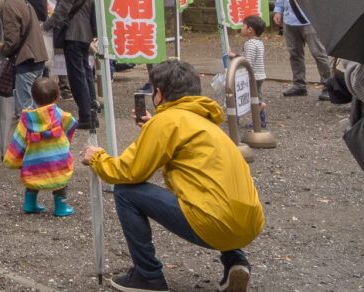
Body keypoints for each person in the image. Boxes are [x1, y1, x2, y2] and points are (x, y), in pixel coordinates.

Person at [82, 59, 263, 292]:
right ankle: (235, 261)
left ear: (158, 93)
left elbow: (129, 171)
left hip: (214, 224)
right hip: (250, 223)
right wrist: (153, 125)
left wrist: (97, 158)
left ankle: (148, 276)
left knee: (125, 191)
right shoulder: (204, 123)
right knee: (216, 195)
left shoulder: (167, 122)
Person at [3, 75, 77, 217]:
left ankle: (30, 204)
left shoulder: (27, 118)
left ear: (32, 97)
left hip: (34, 161)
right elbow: (71, 125)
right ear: (57, 97)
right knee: (60, 183)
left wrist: (13, 159)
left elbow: (18, 140)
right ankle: (61, 208)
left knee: (32, 181)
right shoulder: (62, 116)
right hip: (58, 161)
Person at [41, 0, 97, 129]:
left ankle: (86, 116)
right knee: (86, 73)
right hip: (85, 32)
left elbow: (62, 9)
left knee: (77, 76)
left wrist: (46, 26)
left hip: (72, 33)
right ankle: (92, 113)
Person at [0, 0, 48, 113]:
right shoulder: (20, 0)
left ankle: (29, 135)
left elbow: (13, 41)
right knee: (35, 108)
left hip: (26, 61)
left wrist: (1, 50)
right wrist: (4, 45)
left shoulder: (8, 6)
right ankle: (37, 133)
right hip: (37, 58)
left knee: (25, 110)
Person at [273, 0, 332, 99]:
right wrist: (278, 10)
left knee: (318, 53)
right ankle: (299, 85)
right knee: (294, 53)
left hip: (309, 19)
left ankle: (328, 86)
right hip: (289, 19)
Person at [239, 15, 267, 126]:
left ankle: (258, 117)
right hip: (260, 75)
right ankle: (261, 120)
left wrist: (242, 72)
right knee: (257, 95)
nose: (241, 28)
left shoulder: (249, 44)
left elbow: (248, 61)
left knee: (252, 99)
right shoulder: (259, 42)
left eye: (243, 26)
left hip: (252, 76)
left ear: (250, 30)